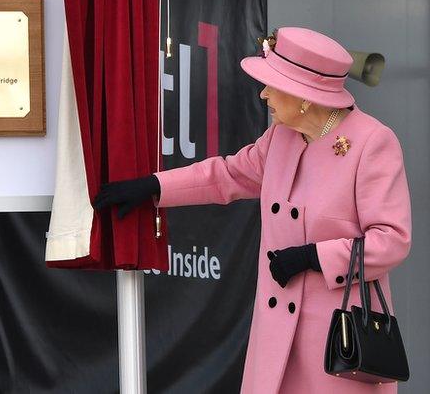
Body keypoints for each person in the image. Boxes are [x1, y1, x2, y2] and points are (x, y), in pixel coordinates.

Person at [95, 27, 411, 393]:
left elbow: (392, 240)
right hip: (277, 337)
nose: (263, 94)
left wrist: (313, 256)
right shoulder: (281, 137)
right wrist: (155, 186)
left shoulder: (372, 143)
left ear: (304, 95)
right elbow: (227, 175)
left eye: (271, 84)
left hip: (338, 343)